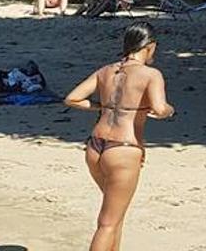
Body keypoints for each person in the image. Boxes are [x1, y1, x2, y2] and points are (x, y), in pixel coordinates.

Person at [64, 22, 175, 251]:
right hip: (123, 149)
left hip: (95, 146)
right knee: (108, 223)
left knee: (115, 214)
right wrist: (168, 110)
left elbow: (72, 98)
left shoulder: (105, 71)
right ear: (150, 47)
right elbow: (159, 107)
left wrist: (102, 106)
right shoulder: (151, 74)